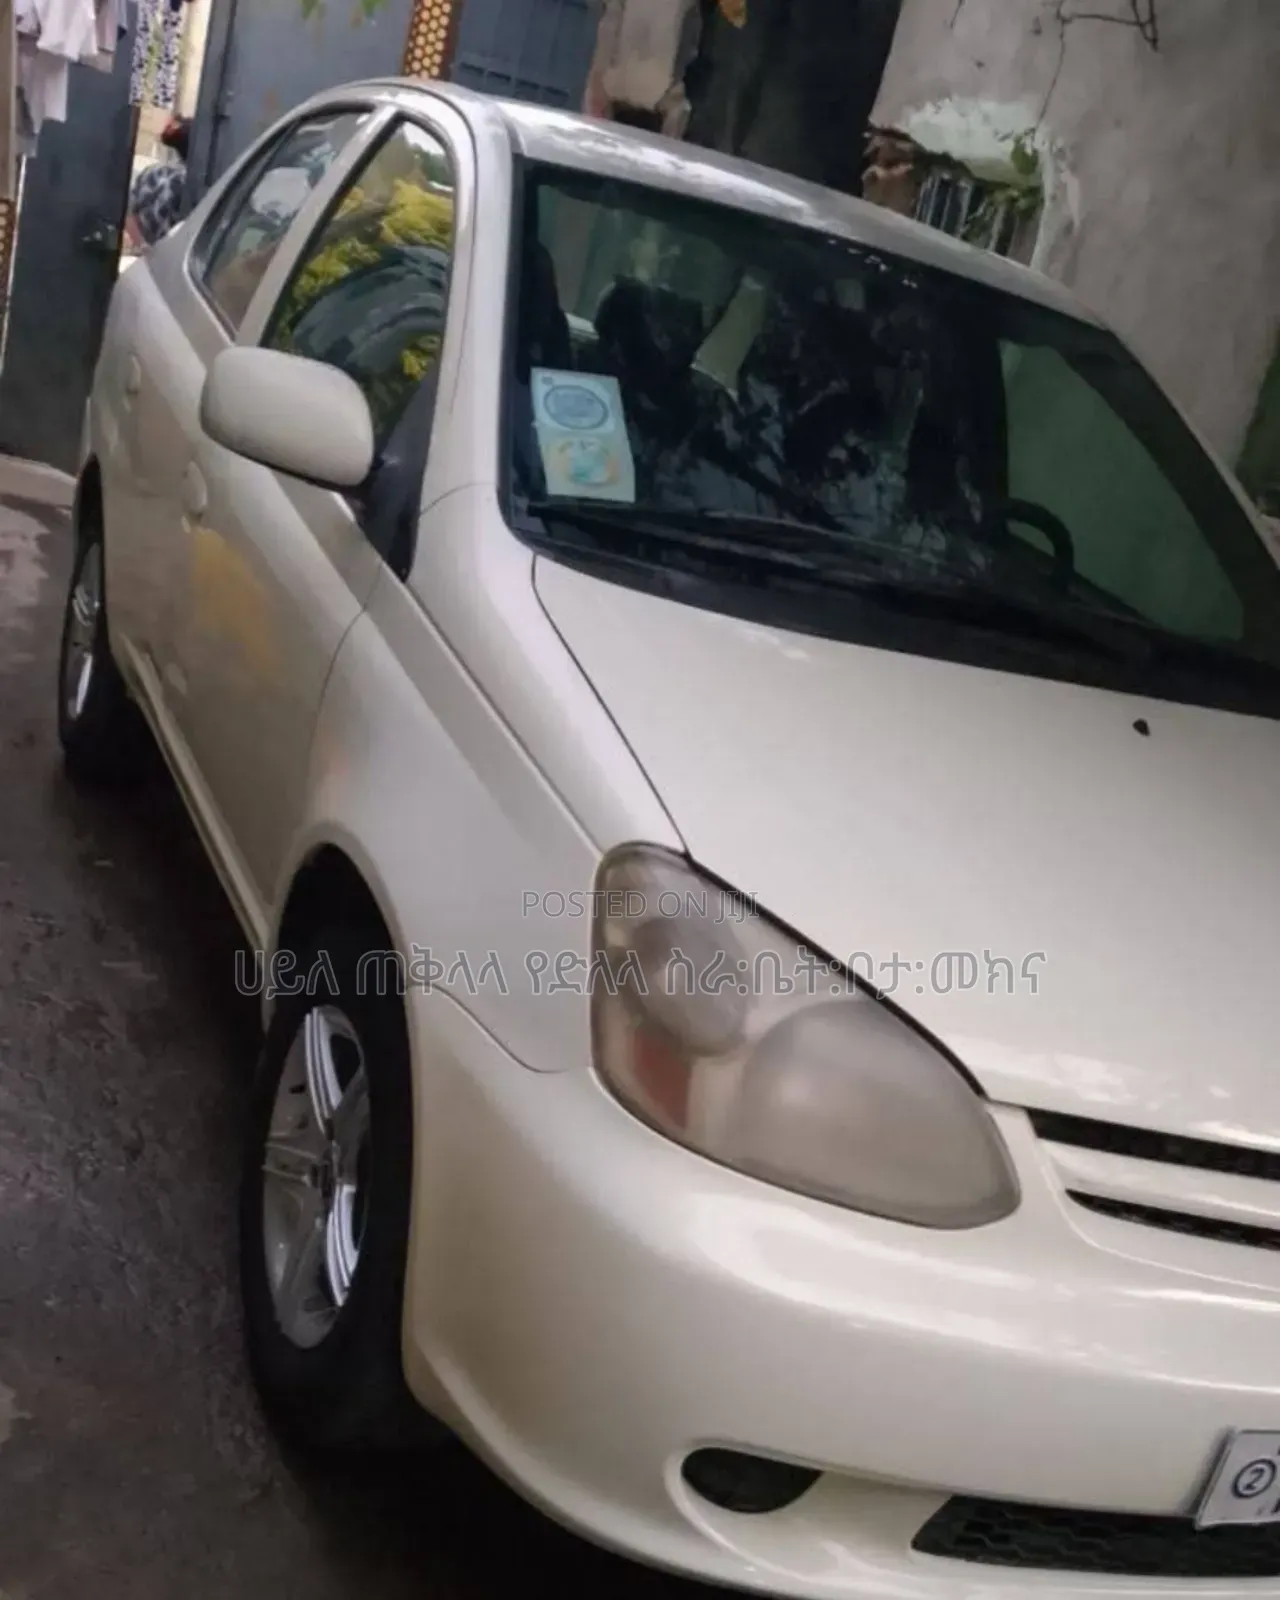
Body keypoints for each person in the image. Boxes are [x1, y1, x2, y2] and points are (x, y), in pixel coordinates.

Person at [125, 115, 191, 250]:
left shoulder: (153, 172)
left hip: (146, 255)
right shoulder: (190, 183)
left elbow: (128, 213)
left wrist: (142, 245)